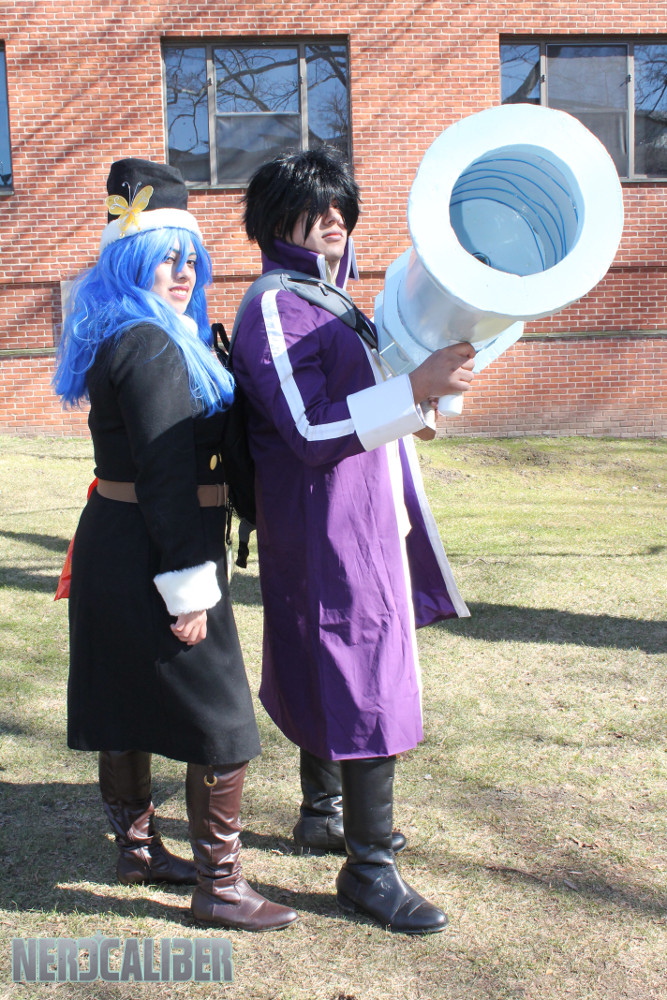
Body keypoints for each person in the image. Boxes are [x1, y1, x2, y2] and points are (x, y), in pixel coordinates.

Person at [231, 148, 475, 935]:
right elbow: (307, 429)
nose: (333, 218)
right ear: (275, 220)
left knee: (338, 658)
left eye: (340, 204)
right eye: (315, 206)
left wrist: (418, 402)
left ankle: (322, 812)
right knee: (365, 670)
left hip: (354, 512)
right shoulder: (278, 303)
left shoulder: (328, 298)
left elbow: (362, 400)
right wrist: (413, 389)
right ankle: (368, 870)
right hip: (327, 520)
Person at [53, 158, 297, 933]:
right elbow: (163, 476)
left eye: (191, 257)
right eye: (166, 257)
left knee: (125, 704)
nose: (185, 272)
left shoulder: (135, 333)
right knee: (223, 724)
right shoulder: (152, 344)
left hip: (124, 546)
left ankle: (137, 851)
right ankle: (220, 887)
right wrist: (189, 589)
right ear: (129, 260)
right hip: (159, 551)